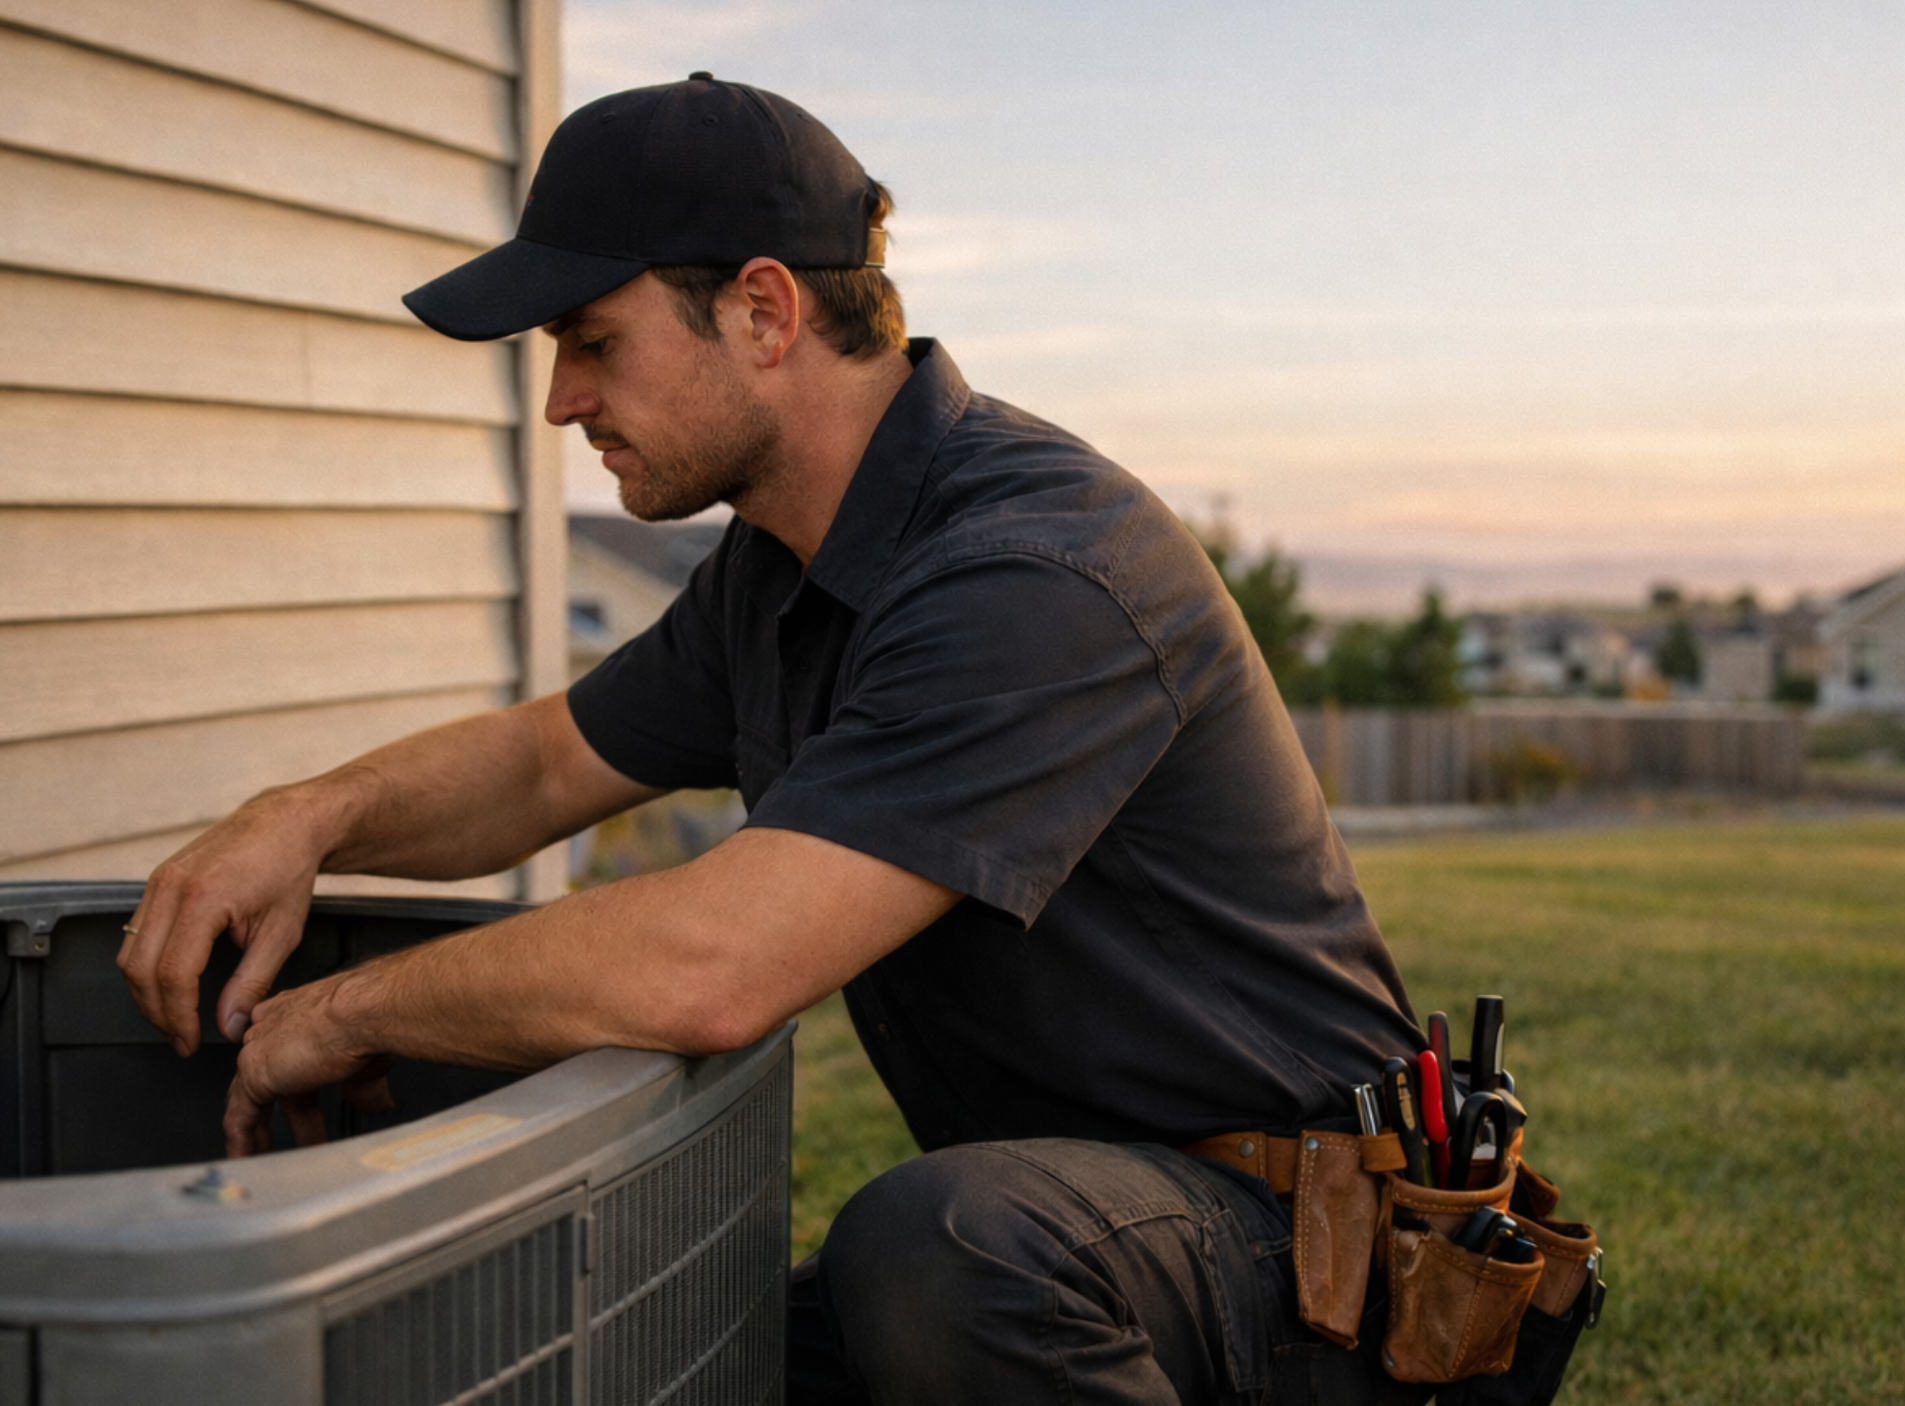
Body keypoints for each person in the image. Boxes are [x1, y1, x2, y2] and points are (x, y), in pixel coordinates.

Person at [116, 74, 1429, 1406]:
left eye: (593, 341)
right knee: (685, 1348)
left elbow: (714, 964)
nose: (562, 400)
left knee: (934, 1250)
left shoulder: (1035, 570)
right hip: (1105, 1239)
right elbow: (548, 762)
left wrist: (349, 1006)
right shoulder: (778, 568)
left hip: (1314, 1266)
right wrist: (308, 815)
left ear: (762, 312)